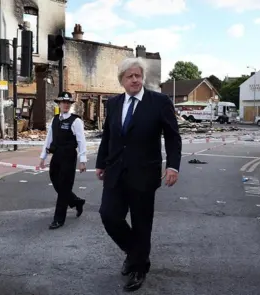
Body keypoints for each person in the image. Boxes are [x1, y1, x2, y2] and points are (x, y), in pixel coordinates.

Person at [95, 57, 182, 292]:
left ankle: (138, 268)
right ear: (122, 81)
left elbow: (173, 136)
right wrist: (101, 163)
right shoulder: (113, 104)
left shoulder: (159, 102)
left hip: (144, 174)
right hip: (115, 172)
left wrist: (173, 166)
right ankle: (136, 254)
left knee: (142, 224)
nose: (135, 79)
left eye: (138, 75)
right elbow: (108, 137)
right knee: (109, 215)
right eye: (129, 76)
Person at [39, 91, 87, 230]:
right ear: (59, 104)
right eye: (63, 102)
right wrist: (43, 157)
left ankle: (58, 219)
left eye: (68, 103)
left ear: (70, 105)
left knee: (64, 188)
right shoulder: (55, 119)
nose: (66, 105)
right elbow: (49, 139)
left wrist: (82, 160)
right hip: (57, 156)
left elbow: (81, 141)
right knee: (56, 182)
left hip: (69, 156)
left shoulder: (75, 121)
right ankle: (77, 202)